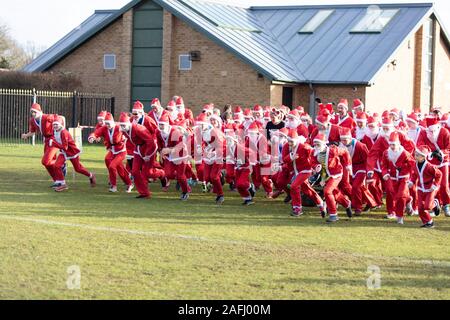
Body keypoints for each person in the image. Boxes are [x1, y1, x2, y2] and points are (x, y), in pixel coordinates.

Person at [311, 133, 353, 223]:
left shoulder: (333, 150)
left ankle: (333, 214)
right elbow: (312, 161)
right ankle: (346, 203)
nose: (316, 146)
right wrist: (316, 166)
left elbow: (345, 152)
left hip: (336, 174)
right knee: (335, 193)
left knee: (327, 191)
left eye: (318, 144)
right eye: (315, 144)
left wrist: (348, 164)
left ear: (324, 144)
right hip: (324, 175)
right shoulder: (314, 152)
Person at [284, 129, 325, 217]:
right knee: (307, 190)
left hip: (306, 170)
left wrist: (316, 166)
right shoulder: (286, 146)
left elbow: (313, 153)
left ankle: (298, 208)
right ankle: (321, 204)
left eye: (291, 141)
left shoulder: (304, 147)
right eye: (288, 141)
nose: (289, 143)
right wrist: (291, 157)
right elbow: (284, 159)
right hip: (296, 172)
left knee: (294, 186)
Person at [119, 112, 161, 199]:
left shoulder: (138, 128)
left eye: (124, 125)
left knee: (148, 172)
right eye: (121, 125)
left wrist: (148, 154)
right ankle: (144, 193)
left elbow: (151, 141)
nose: (122, 127)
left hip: (149, 147)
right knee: (134, 171)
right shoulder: (124, 130)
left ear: (128, 123)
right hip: (138, 148)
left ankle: (162, 173)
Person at [49, 116, 96, 192]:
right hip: (64, 152)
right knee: (56, 166)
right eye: (54, 124)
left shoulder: (64, 132)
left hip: (71, 152)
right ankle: (62, 184)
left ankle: (91, 175)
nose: (54, 126)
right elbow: (56, 140)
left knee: (78, 169)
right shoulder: (55, 131)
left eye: (56, 124)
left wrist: (54, 143)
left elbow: (65, 147)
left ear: (61, 124)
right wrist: (52, 140)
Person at [88, 113, 133, 193]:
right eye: (106, 123)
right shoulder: (104, 128)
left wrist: (125, 138)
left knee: (112, 166)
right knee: (110, 162)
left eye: (109, 123)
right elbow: (96, 133)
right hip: (112, 150)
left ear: (112, 122)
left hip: (121, 151)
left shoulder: (119, 127)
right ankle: (128, 183)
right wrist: (92, 137)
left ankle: (114, 185)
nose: (107, 125)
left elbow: (129, 131)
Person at [339, 127, 377, 216]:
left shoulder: (360, 145)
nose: (343, 142)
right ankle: (371, 202)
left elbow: (367, 159)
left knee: (356, 186)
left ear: (350, 138)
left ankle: (358, 208)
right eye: (342, 140)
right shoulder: (341, 145)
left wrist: (369, 172)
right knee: (356, 186)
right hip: (350, 167)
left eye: (345, 140)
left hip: (361, 166)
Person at [417, 117, 450, 216]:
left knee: (444, 185)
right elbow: (420, 145)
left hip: (443, 161)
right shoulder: (423, 133)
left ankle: (446, 205)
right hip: (430, 163)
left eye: (434, 130)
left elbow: (449, 147)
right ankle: (435, 204)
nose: (432, 132)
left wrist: (441, 153)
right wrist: (429, 153)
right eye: (430, 130)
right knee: (431, 185)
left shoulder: (444, 132)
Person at [21, 103, 60, 184]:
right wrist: (26, 135)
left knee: (45, 161)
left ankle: (61, 163)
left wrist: (60, 132)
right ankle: (57, 181)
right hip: (46, 140)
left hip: (54, 139)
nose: (33, 114)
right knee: (48, 164)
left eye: (34, 112)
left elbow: (59, 118)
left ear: (40, 111)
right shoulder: (32, 120)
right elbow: (33, 132)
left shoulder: (47, 117)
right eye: (32, 112)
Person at [156, 114, 191, 201]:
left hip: (181, 155)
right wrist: (161, 153)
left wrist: (167, 150)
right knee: (168, 174)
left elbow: (180, 146)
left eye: (162, 124)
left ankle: (185, 192)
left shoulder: (175, 132)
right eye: (159, 124)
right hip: (169, 156)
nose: (161, 126)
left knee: (180, 175)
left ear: (167, 124)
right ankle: (184, 182)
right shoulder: (158, 132)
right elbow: (160, 145)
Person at [410, 145, 442, 228]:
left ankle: (435, 203)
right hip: (420, 188)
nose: (415, 156)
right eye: (415, 154)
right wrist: (411, 182)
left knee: (427, 206)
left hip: (430, 188)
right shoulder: (415, 165)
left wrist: (435, 185)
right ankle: (428, 222)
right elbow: (414, 175)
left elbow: (439, 174)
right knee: (420, 207)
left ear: (423, 157)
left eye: (417, 155)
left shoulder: (430, 166)